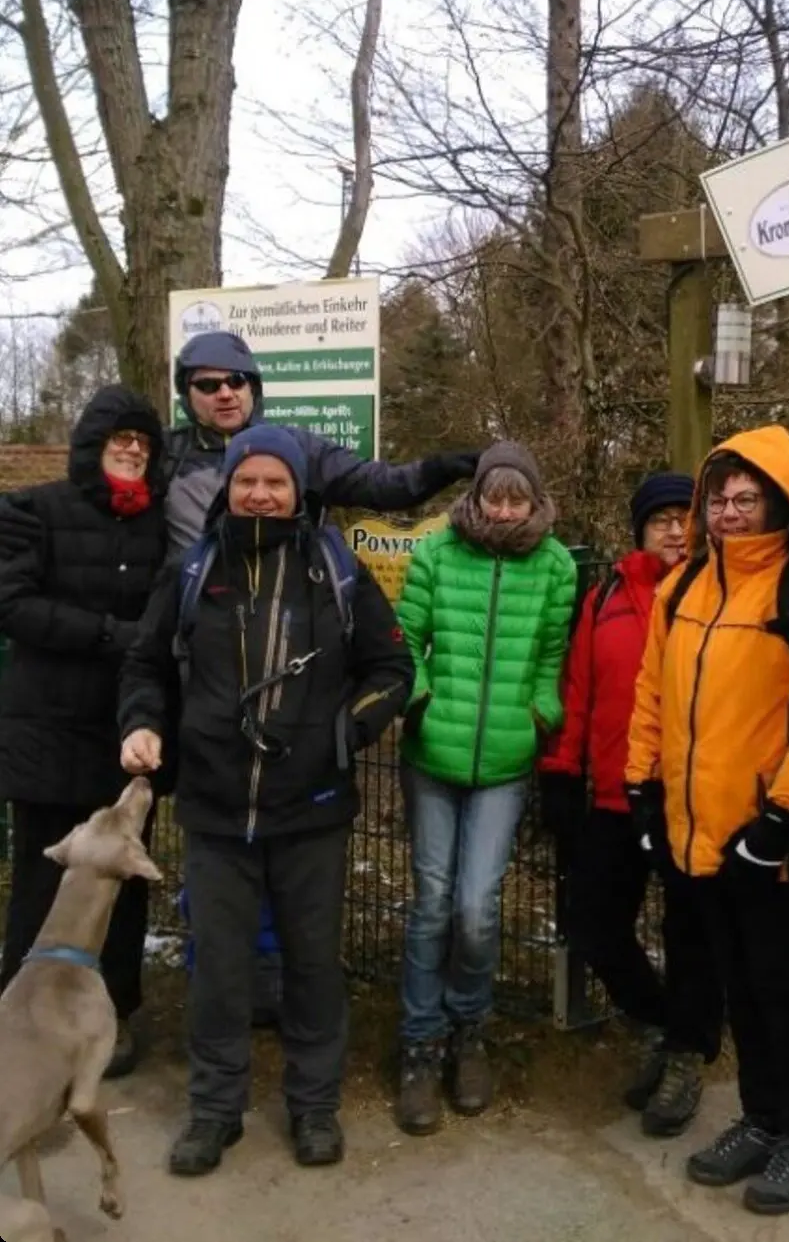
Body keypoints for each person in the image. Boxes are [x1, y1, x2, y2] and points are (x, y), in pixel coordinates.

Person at [118, 425, 414, 1177]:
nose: (259, 492)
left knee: (313, 965)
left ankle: (314, 1106)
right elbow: (146, 662)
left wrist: (349, 730)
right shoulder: (194, 567)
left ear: (297, 491)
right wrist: (144, 721)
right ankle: (215, 1110)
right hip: (216, 809)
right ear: (228, 487)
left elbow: (391, 666)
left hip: (312, 808)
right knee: (218, 967)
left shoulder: (335, 568)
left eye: (274, 481)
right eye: (247, 479)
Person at [627, 426, 789, 1216]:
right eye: (718, 497)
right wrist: (643, 790)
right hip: (696, 830)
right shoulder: (680, 587)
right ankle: (760, 1118)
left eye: (746, 497)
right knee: (734, 983)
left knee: (777, 985)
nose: (727, 509)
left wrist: (782, 816)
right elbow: (652, 694)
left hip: (768, 838)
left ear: (780, 500)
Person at [394, 442, 576, 1136]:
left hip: (505, 760)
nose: (503, 509)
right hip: (432, 752)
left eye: (516, 497)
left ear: (534, 501)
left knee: (476, 905)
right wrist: (418, 696)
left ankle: (470, 1030)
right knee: (432, 901)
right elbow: (404, 635)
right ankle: (419, 1043)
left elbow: (553, 656)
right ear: (475, 497)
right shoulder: (440, 552)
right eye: (493, 496)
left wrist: (541, 714)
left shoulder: (555, 564)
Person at [539, 471, 723, 1136]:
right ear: (640, 529)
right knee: (593, 920)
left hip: (690, 797)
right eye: (660, 519)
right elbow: (579, 685)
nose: (675, 529)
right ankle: (658, 1021)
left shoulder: (717, 591)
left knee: (690, 933)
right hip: (617, 792)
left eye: (685, 517)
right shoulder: (607, 594)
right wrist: (562, 768)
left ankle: (685, 1054)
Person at [0, 385, 166, 1080]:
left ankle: (114, 1010)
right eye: (118, 437)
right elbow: (13, 603)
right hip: (46, 727)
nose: (131, 447)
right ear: (91, 444)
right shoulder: (35, 510)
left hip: (124, 730)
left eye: (142, 440)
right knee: (43, 877)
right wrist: (111, 635)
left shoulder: (161, 525)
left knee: (121, 881)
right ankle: (23, 1015)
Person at [165, 331, 477, 552]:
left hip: (284, 617)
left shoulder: (296, 448)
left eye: (236, 380)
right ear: (187, 397)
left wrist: (440, 468)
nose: (225, 393)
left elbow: (378, 484)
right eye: (208, 385)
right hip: (194, 625)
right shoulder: (164, 455)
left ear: (253, 388)